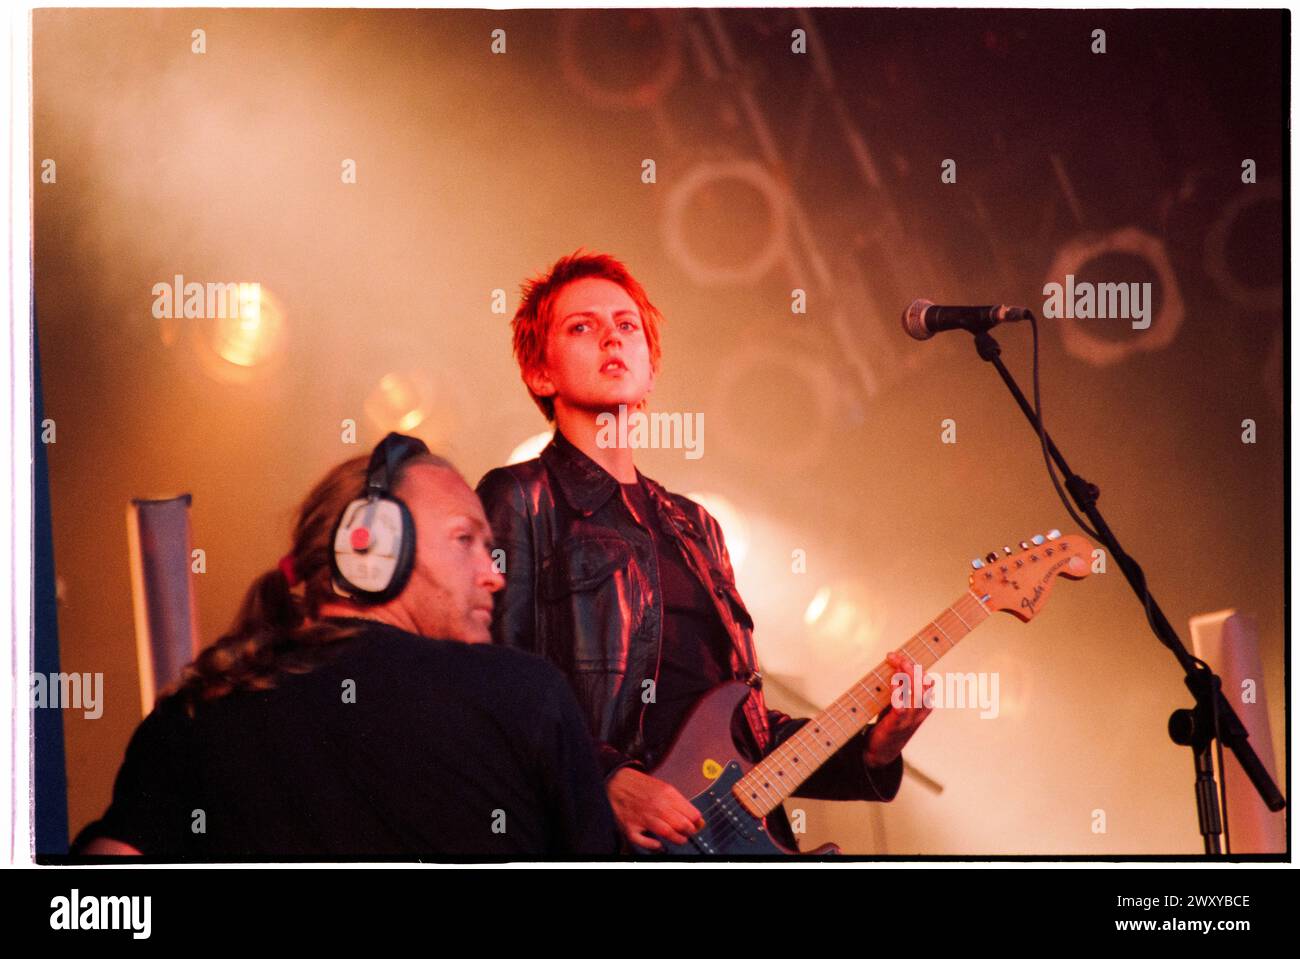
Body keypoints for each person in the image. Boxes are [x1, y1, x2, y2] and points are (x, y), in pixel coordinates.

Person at [477, 251, 935, 852]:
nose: (612, 337)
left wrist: (874, 747)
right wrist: (605, 779)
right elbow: (491, 679)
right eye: (582, 327)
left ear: (650, 367)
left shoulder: (696, 527)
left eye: (627, 325)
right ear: (541, 375)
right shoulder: (521, 497)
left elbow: (747, 734)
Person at [73, 434, 618, 860]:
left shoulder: (196, 709)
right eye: (465, 540)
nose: (492, 574)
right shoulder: (525, 695)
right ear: (371, 546)